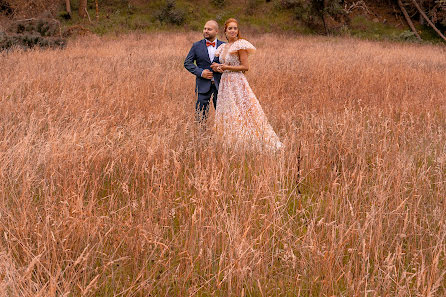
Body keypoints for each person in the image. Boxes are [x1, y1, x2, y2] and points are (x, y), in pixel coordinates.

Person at [211, 18, 283, 151]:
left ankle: (248, 140)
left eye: (235, 28)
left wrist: (227, 67)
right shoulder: (222, 47)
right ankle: (230, 142)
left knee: (242, 109)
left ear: (238, 31)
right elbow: (220, 65)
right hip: (225, 82)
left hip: (237, 81)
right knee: (228, 110)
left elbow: (245, 67)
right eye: (230, 28)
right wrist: (217, 67)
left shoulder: (240, 45)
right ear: (225, 31)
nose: (233, 31)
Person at [184, 20, 225, 123]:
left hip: (220, 85)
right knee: (200, 117)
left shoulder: (224, 46)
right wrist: (201, 72)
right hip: (202, 86)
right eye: (205, 28)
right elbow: (187, 63)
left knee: (223, 116)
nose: (206, 31)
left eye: (209, 29)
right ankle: (201, 136)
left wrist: (221, 67)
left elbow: (232, 64)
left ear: (216, 31)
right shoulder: (196, 46)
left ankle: (221, 137)